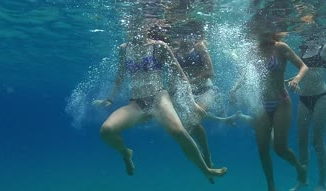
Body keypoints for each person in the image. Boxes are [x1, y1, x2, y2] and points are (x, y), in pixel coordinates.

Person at [93, 23, 227, 182]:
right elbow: (120, 75)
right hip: (137, 103)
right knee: (106, 130)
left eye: (138, 25)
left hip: (159, 98)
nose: (134, 29)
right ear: (126, 27)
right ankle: (126, 153)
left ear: (145, 27)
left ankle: (206, 170)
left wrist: (192, 103)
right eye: (130, 26)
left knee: (179, 132)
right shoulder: (123, 48)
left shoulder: (159, 46)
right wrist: (109, 99)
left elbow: (180, 75)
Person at [231, 30, 308, 191]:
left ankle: (299, 167)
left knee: (280, 148)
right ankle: (271, 187)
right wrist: (234, 88)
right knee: (262, 149)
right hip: (262, 104)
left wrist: (297, 79)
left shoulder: (281, 47)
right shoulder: (252, 50)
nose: (262, 32)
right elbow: (245, 74)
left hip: (281, 101)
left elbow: (303, 66)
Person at [288, 40, 326, 191]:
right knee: (301, 141)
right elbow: (304, 72)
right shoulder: (303, 49)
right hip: (303, 99)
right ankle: (303, 179)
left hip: (321, 98)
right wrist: (294, 81)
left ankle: (322, 183)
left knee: (317, 143)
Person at [171, 20, 221, 168]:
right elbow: (174, 76)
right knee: (189, 123)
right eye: (181, 34)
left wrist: (191, 81)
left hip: (206, 90)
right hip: (186, 93)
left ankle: (205, 154)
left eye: (188, 34)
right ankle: (202, 156)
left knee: (192, 120)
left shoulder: (200, 47)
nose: (184, 38)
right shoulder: (175, 51)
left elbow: (210, 72)